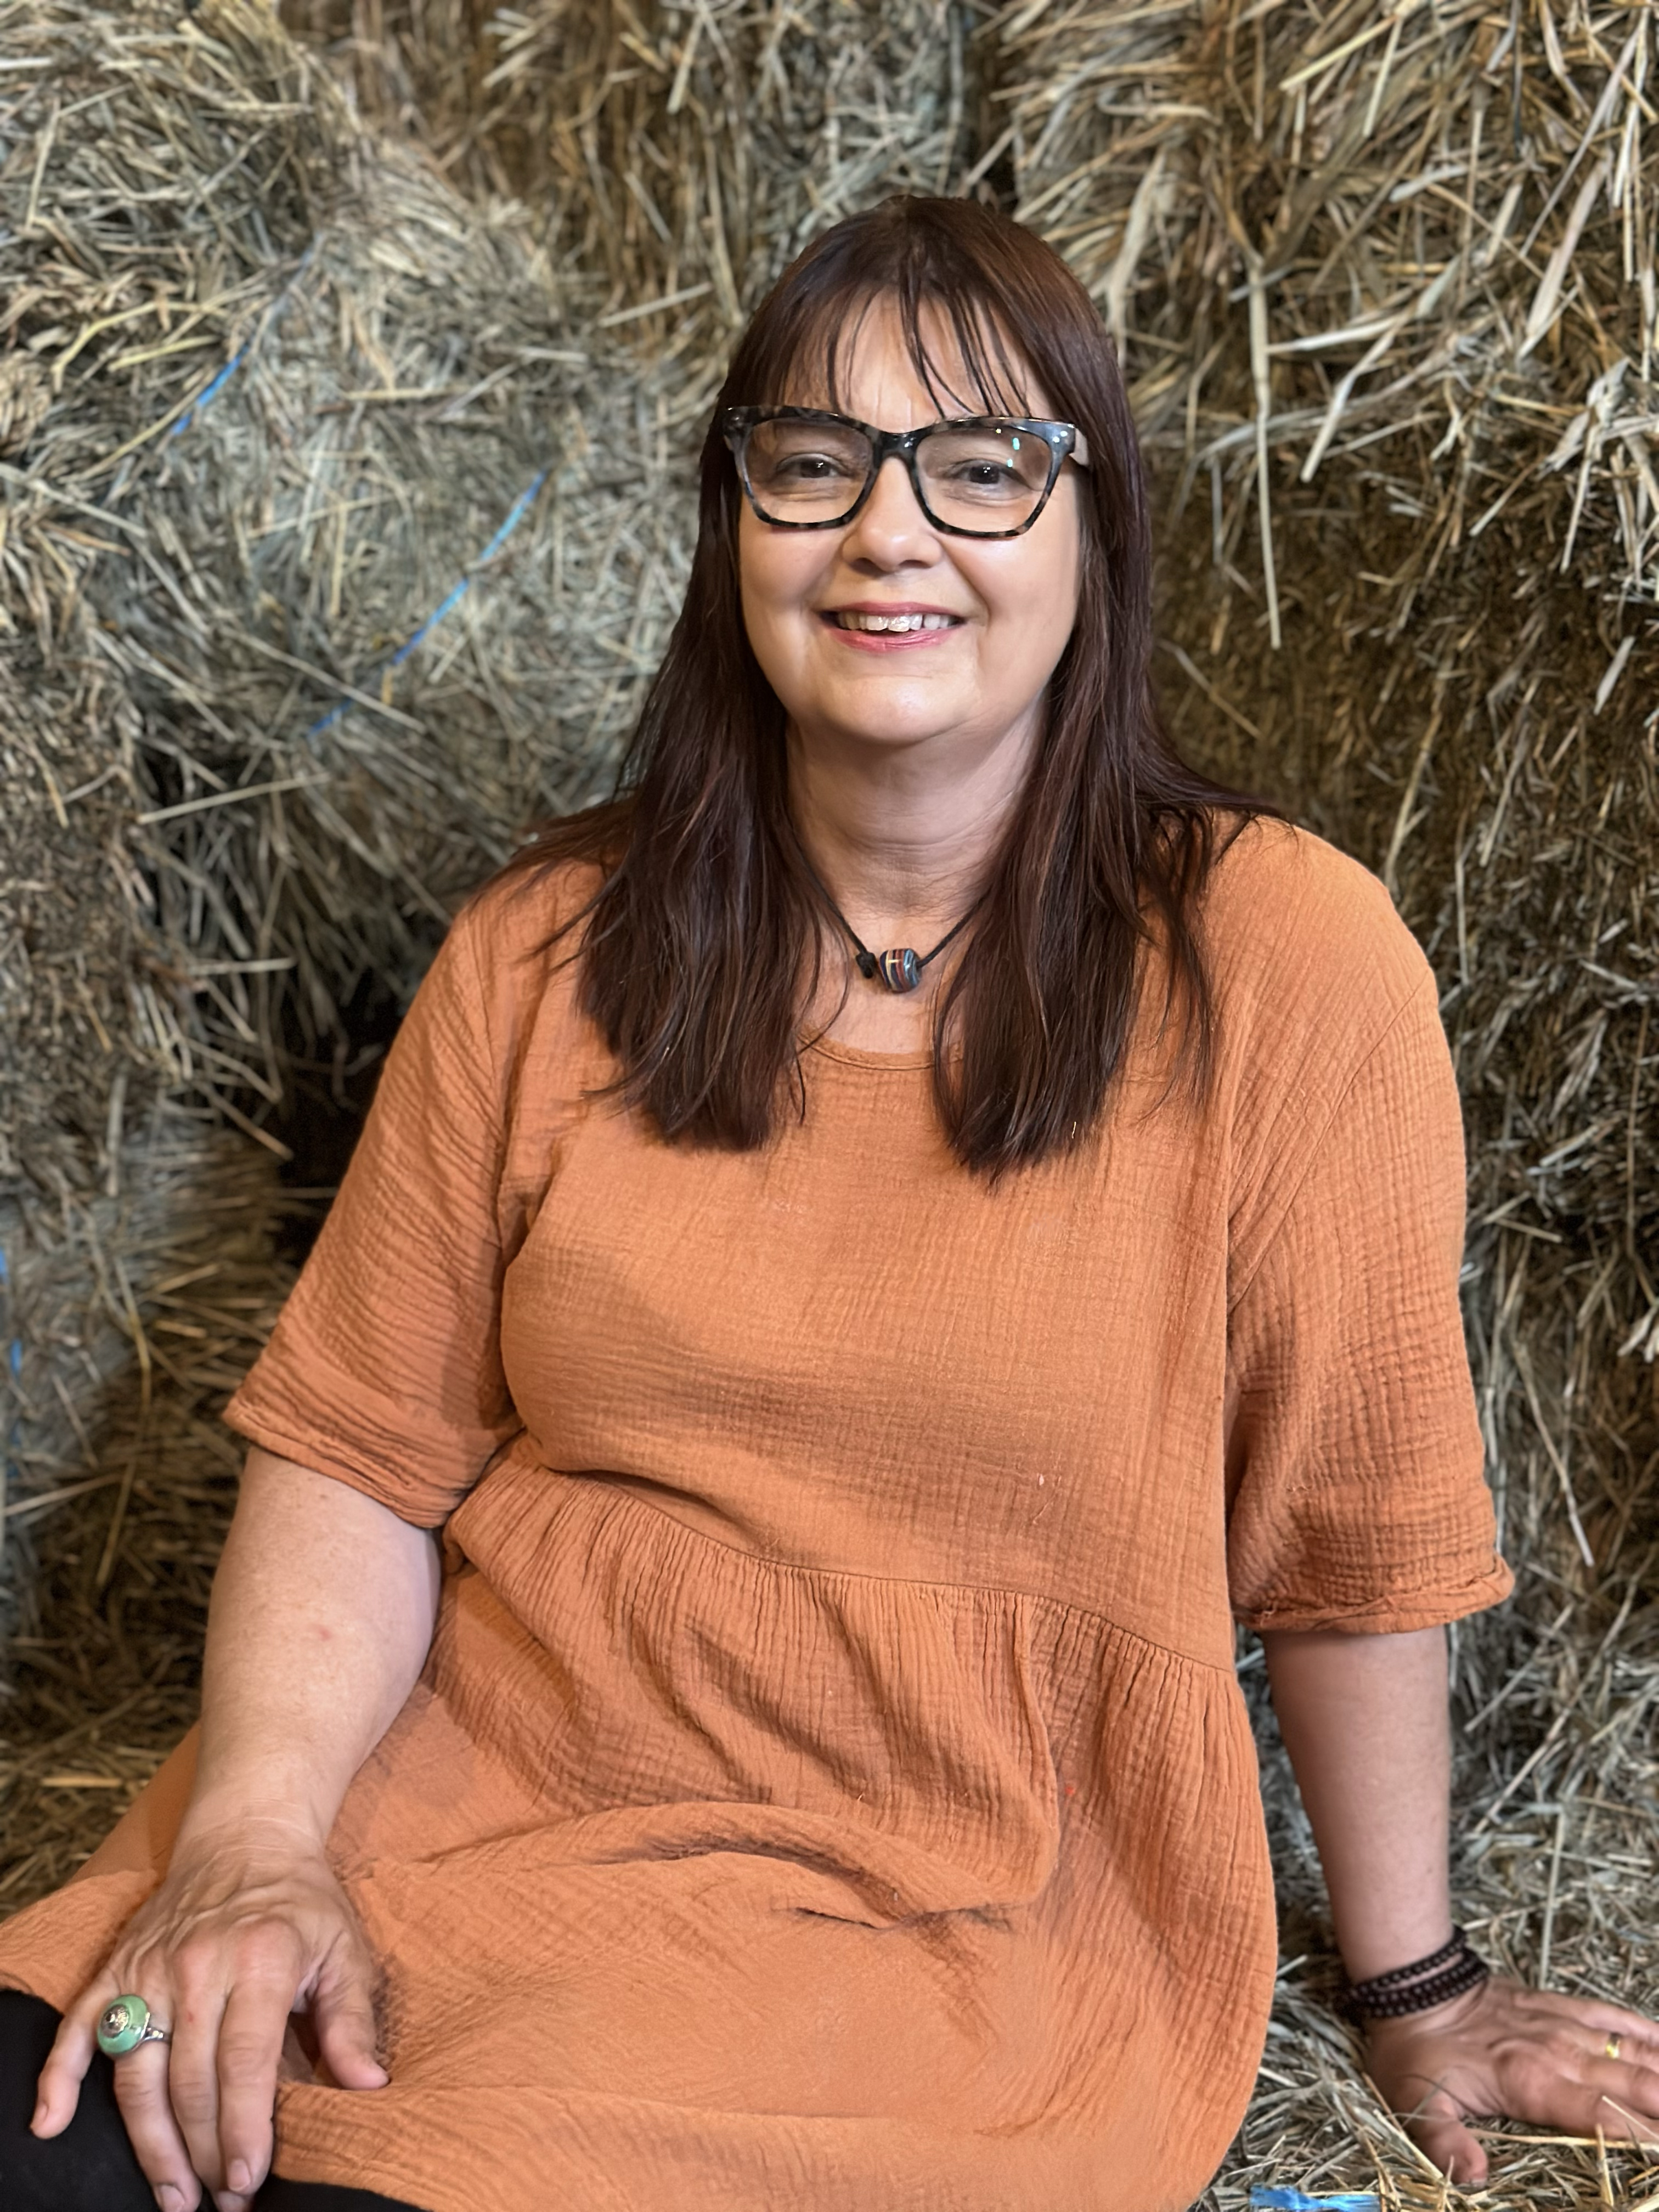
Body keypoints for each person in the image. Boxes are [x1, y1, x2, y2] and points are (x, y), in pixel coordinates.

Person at [1, 194, 1655, 2212]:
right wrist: (255, 1841)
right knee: (87, 2136)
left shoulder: (1286, 960)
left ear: (1091, 536)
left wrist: (1420, 1983)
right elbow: (359, 1446)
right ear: (735, 524)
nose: (891, 533)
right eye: (814, 460)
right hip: (458, 1811)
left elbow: (1357, 1535)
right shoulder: (546, 945)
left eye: (980, 467)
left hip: (946, 1913)